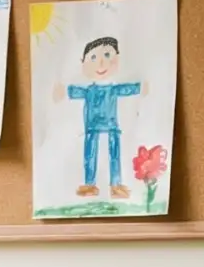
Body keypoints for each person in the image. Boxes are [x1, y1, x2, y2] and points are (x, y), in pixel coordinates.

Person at [56, 36, 144, 200]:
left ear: (117, 58)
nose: (101, 64)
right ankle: (90, 184)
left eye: (107, 56)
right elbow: (74, 92)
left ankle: (116, 185)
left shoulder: (113, 89)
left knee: (114, 154)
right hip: (92, 126)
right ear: (83, 63)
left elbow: (128, 89)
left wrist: (141, 87)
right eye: (94, 58)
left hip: (111, 126)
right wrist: (63, 91)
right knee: (90, 154)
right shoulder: (90, 90)